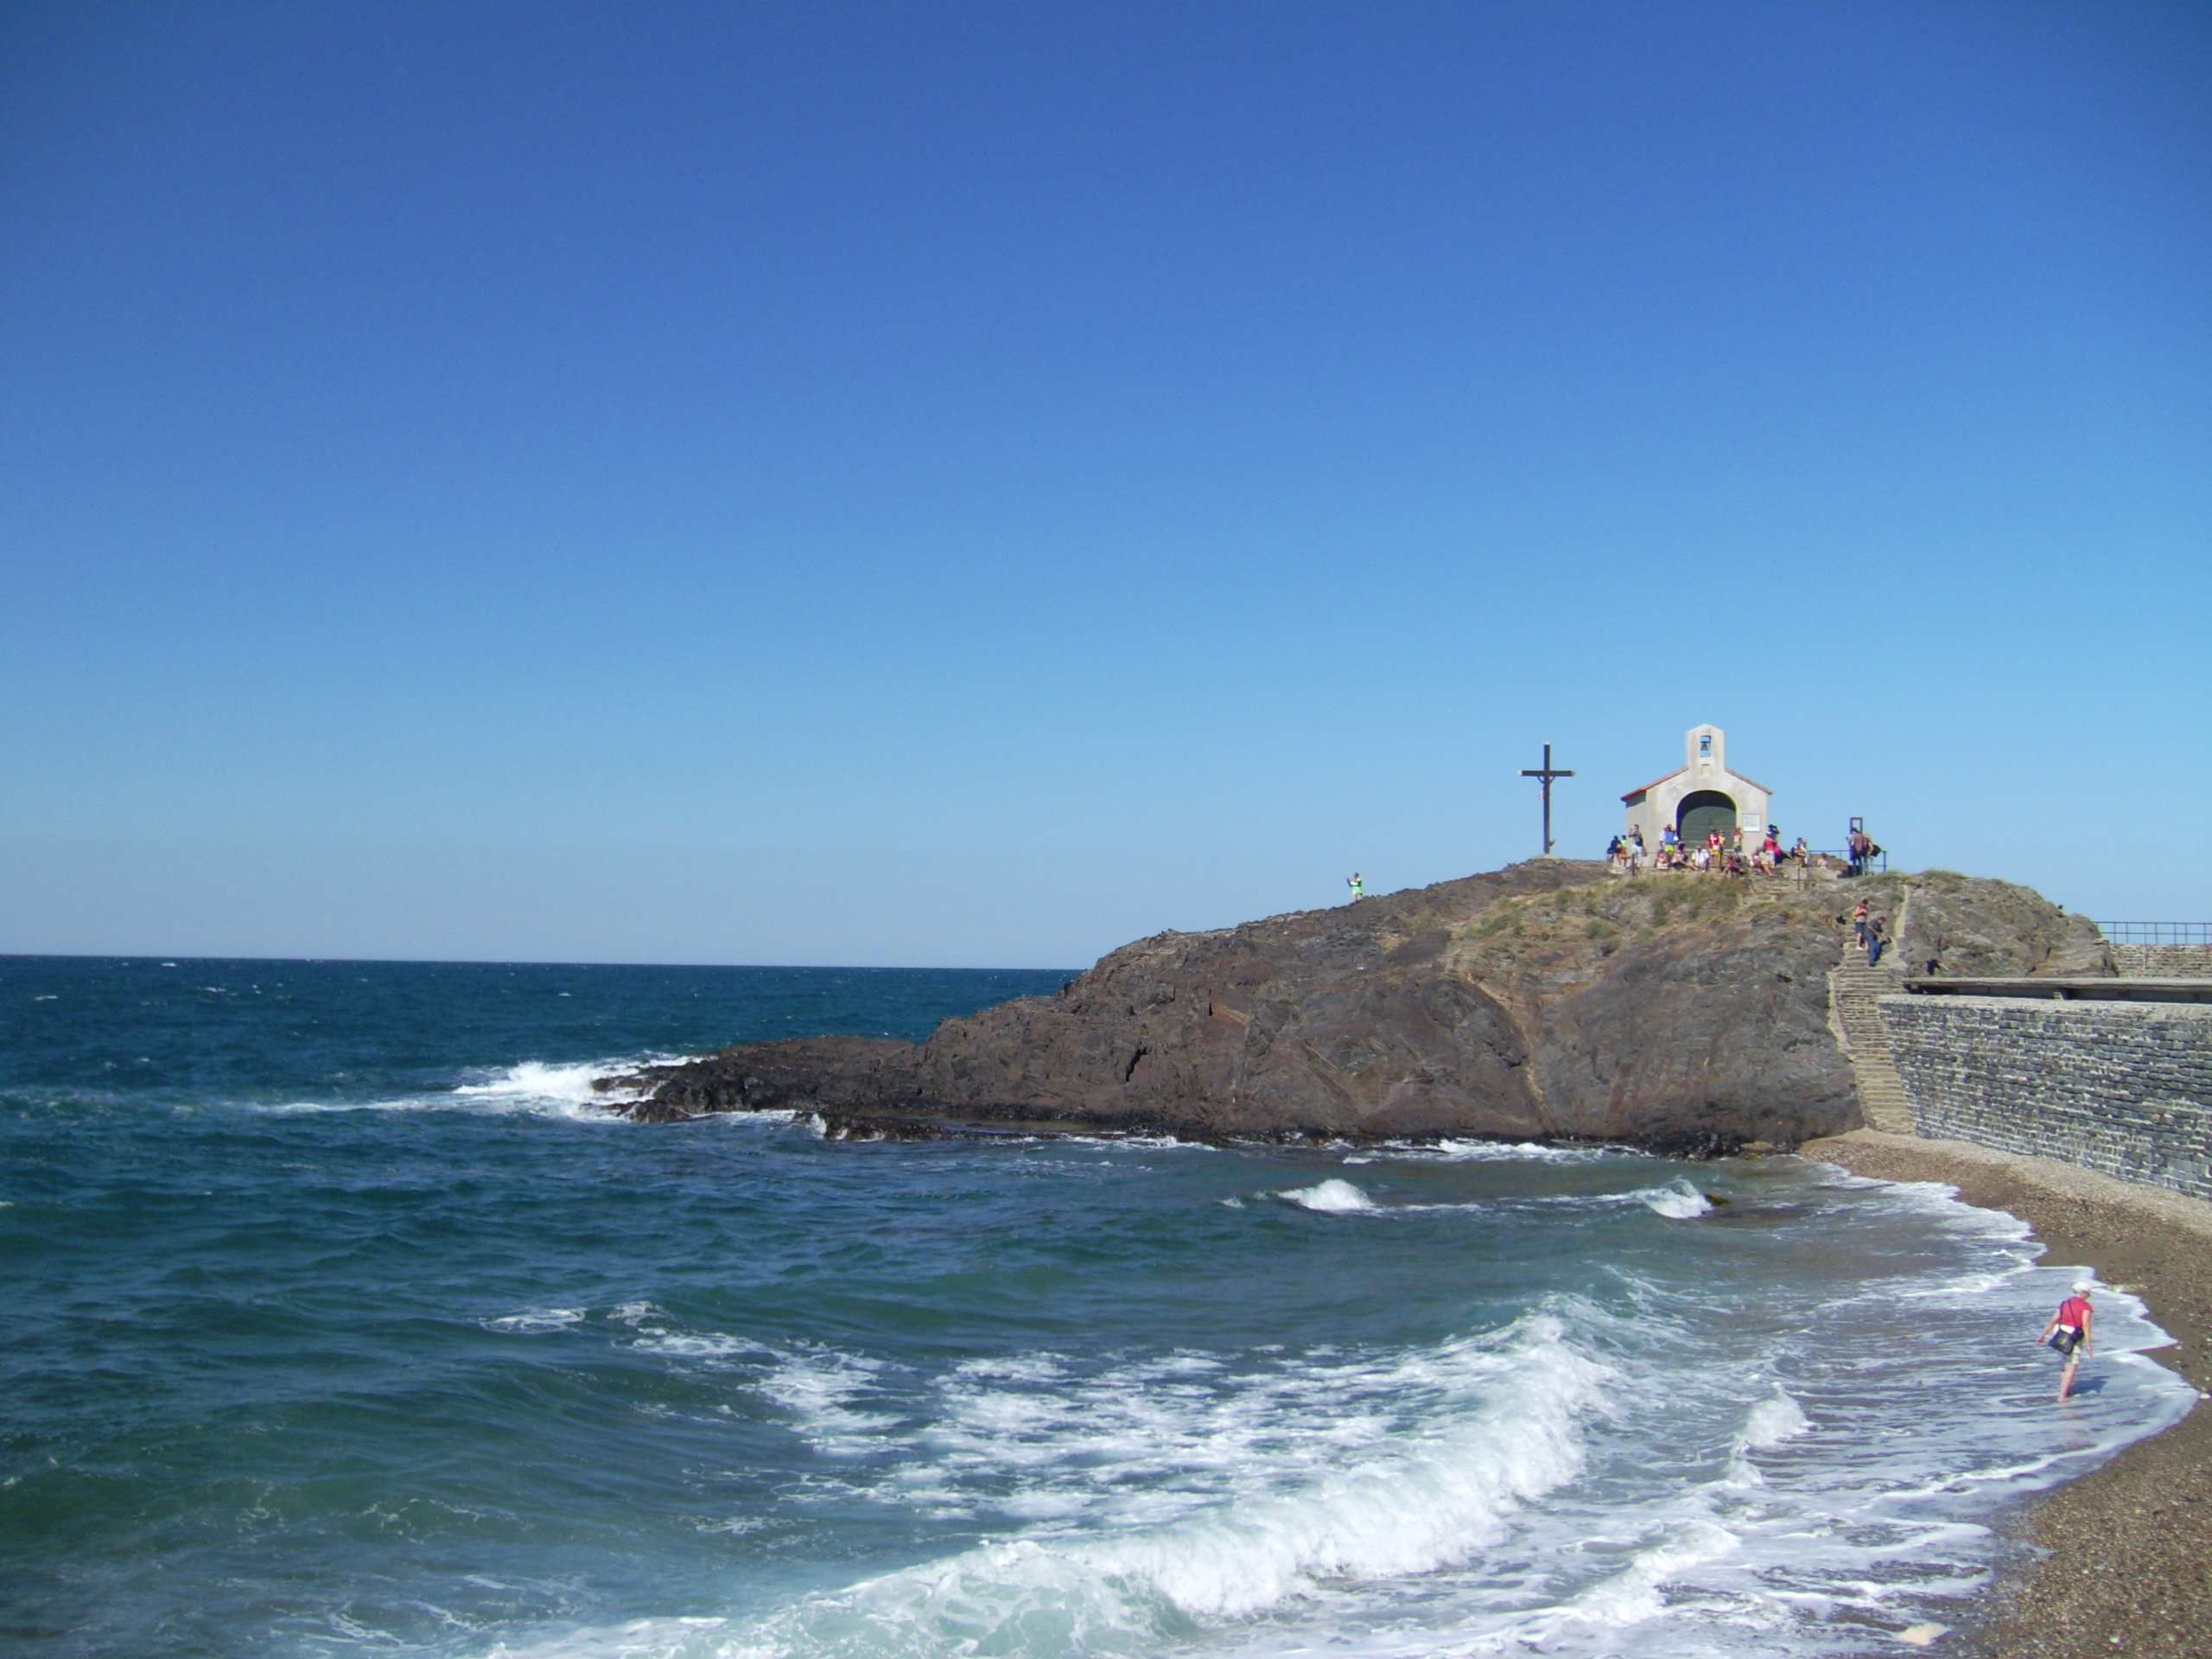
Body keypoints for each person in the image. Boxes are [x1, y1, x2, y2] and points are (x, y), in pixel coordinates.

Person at [2037, 1283, 2096, 1401]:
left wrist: (2042, 1336)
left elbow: (2053, 1320)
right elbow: (2085, 1324)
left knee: (2065, 1364)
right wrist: (2089, 1344)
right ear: (2084, 1293)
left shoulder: (2065, 1303)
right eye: (2088, 1293)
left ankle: (2066, 1391)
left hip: (2060, 1334)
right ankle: (2062, 1396)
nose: (2089, 1296)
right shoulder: (2086, 1306)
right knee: (2071, 1366)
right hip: (2073, 1336)